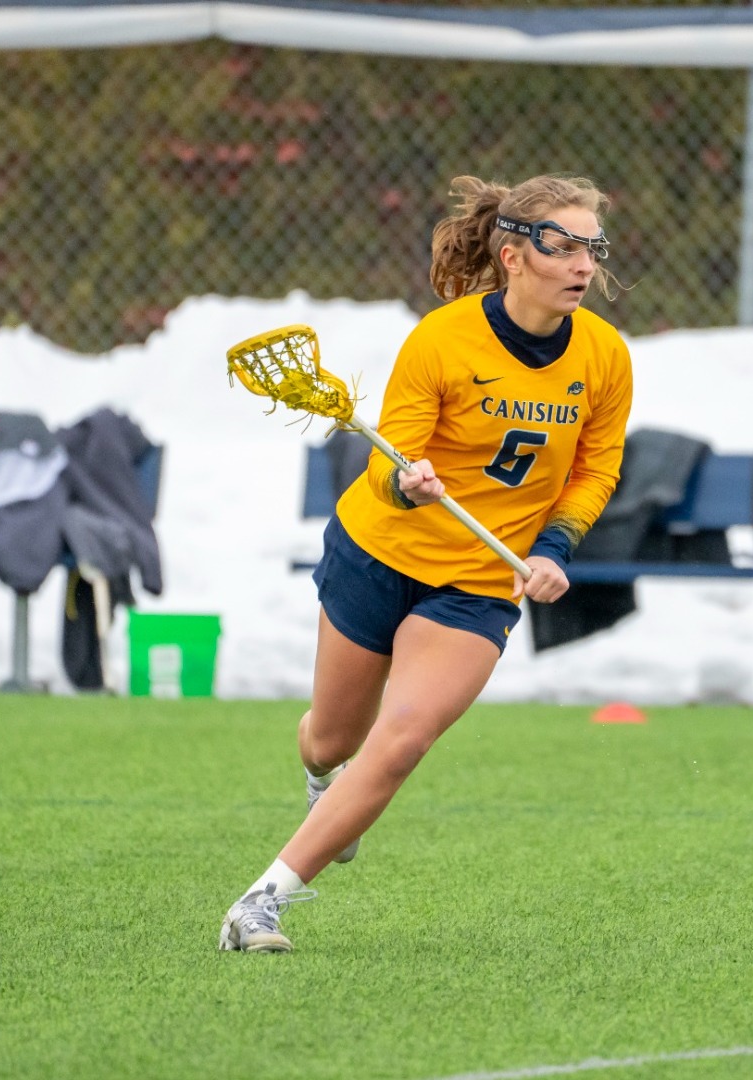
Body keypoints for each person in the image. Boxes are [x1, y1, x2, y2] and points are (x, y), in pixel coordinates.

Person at [218, 175, 634, 952]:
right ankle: (321, 786)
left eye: (592, 247)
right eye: (564, 245)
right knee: (332, 741)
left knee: (402, 738)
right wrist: (406, 484)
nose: (584, 263)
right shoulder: (441, 340)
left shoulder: (605, 357)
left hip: (477, 583)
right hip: (381, 551)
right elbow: (386, 465)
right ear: (513, 256)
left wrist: (551, 548)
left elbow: (595, 470)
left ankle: (260, 903)